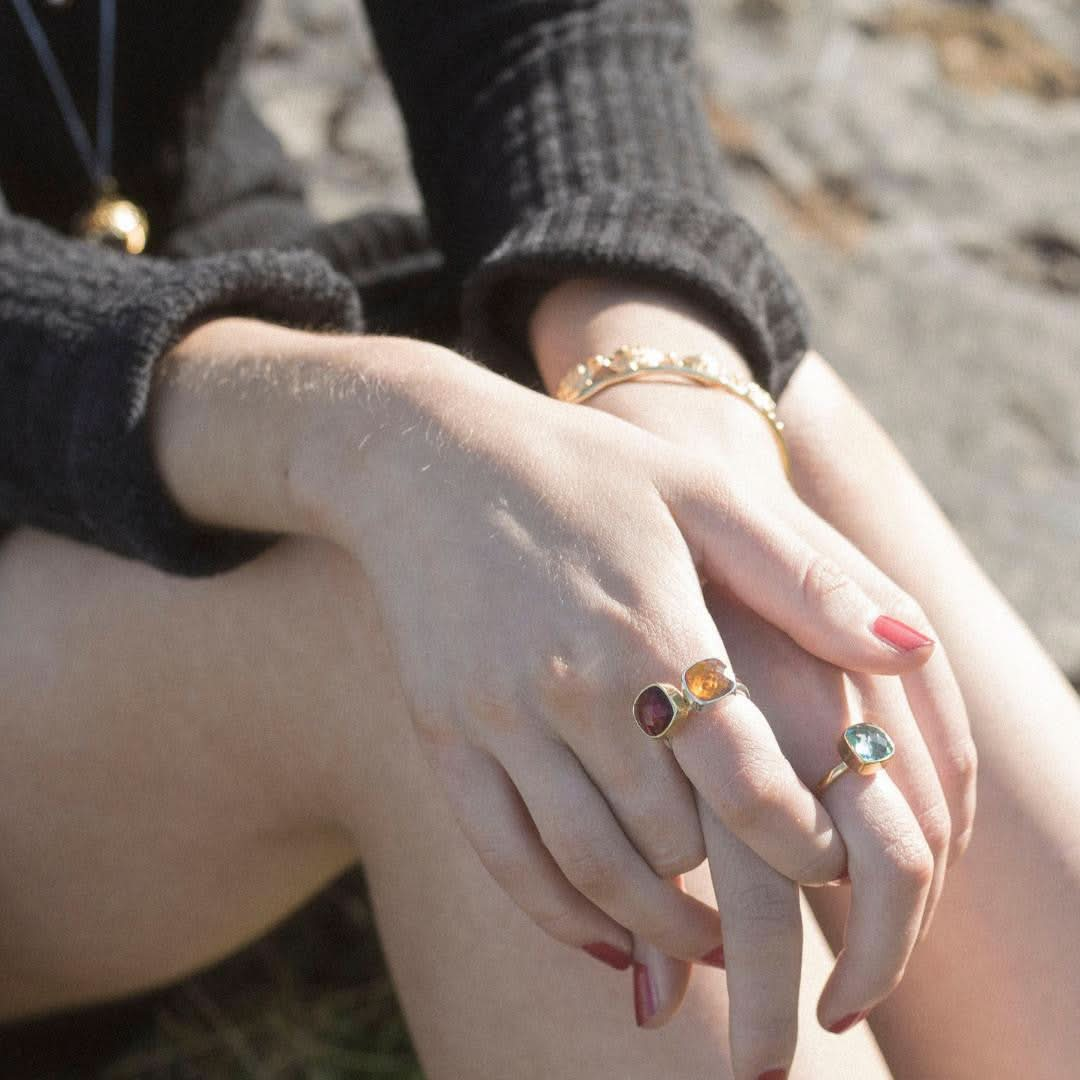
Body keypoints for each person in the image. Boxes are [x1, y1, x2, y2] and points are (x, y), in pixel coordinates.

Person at [1, 3, 1077, 1079]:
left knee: (740, 432)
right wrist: (369, 443)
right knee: (431, 573)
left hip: (227, 319)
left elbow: (536, 25)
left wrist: (668, 394)